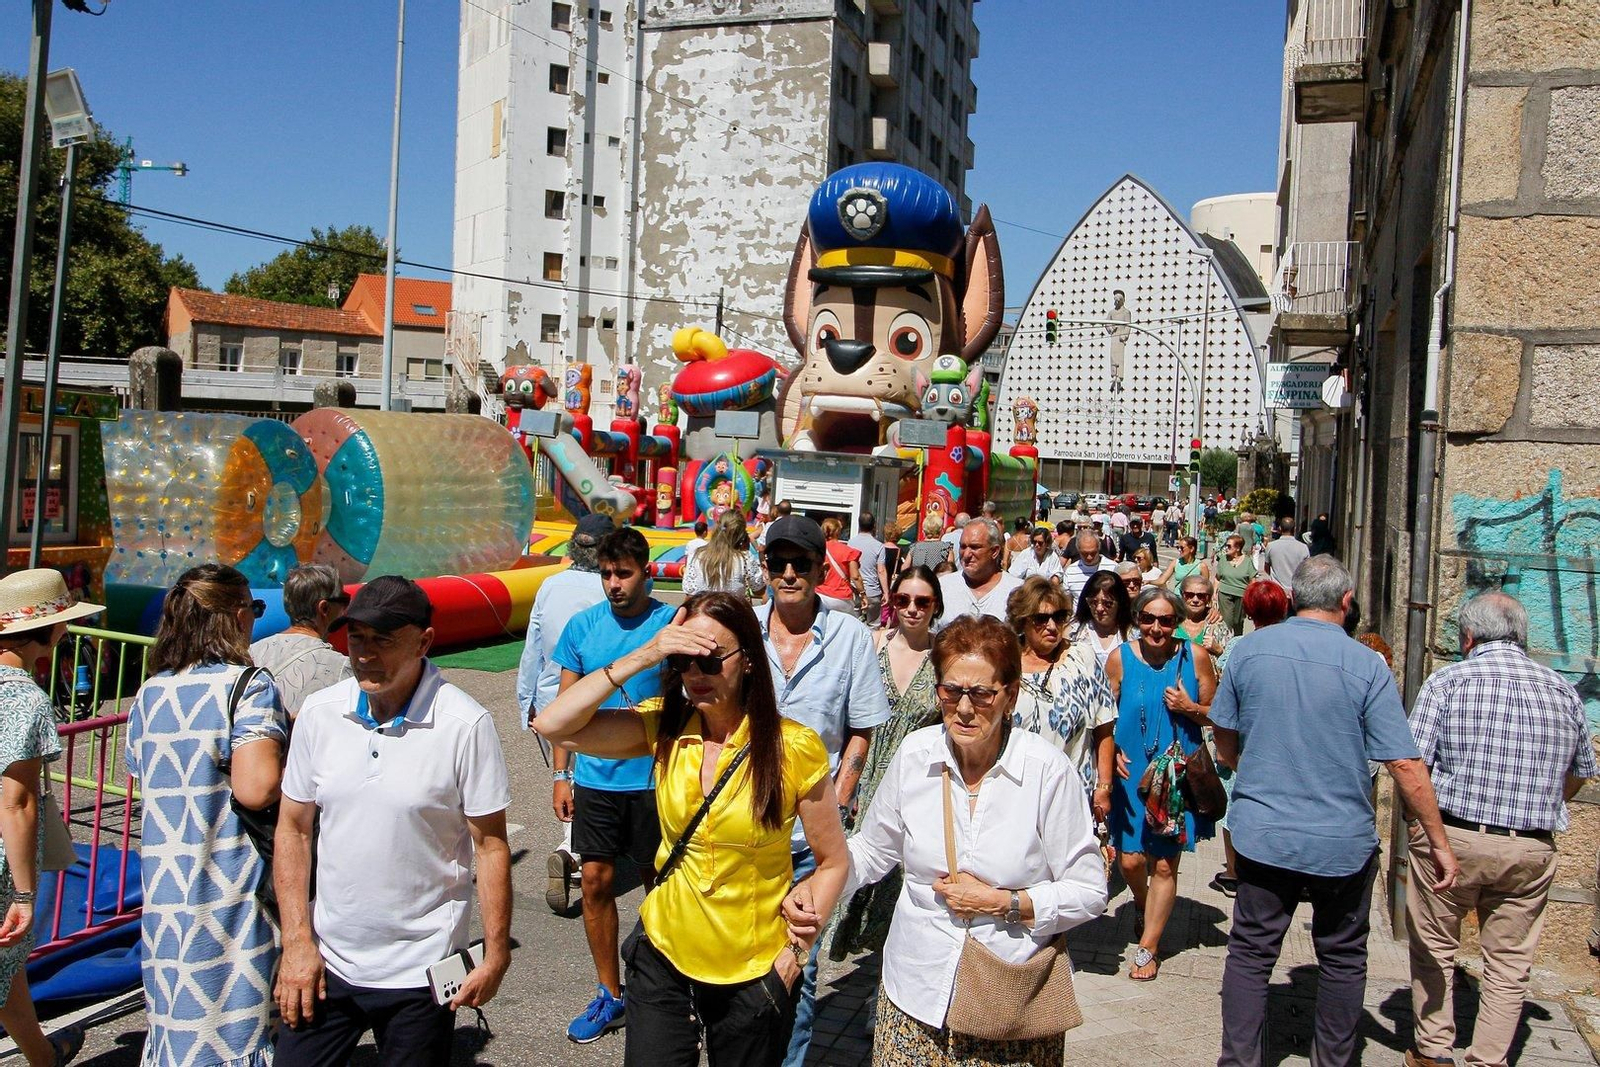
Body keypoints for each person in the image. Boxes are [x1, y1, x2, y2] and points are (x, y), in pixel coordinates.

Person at [536, 592, 849, 1066]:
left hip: (752, 966)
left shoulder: (793, 747)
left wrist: (796, 953)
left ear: (748, 659)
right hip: (664, 951)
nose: (695, 674)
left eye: (709, 659)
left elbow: (833, 862)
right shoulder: (666, 727)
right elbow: (553, 723)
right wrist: (647, 652)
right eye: (683, 661)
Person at [786, 614, 1107, 1064]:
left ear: (1011, 695)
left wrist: (1004, 902)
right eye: (951, 691)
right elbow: (873, 850)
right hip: (914, 993)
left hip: (1008, 1002)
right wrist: (819, 883)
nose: (964, 709)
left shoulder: (1045, 770)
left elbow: (1089, 891)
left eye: (982, 694)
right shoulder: (916, 754)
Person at [1210, 555, 1459, 1067]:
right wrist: (1438, 841)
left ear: (1293, 598)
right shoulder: (1367, 665)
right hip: (1341, 841)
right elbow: (1405, 764)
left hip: (1265, 833)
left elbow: (1224, 736)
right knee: (1343, 958)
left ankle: (1239, 1061)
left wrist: (1246, 766)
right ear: (1346, 603)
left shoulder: (1249, 650)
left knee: (1251, 953)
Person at [274, 577, 511, 1065]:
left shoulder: (464, 724)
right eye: (356, 638)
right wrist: (296, 942)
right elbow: (293, 829)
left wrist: (495, 954)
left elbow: (490, 845)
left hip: (421, 971)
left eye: (383, 640)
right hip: (327, 960)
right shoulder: (320, 713)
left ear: (424, 642)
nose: (365, 654)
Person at [1404, 593, 1598, 1067]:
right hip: (1528, 847)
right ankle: (1488, 1060)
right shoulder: (1562, 690)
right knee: (1509, 964)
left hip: (1452, 836)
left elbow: (1412, 762)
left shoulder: (1448, 681)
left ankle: (1433, 1051)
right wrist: (1543, 804)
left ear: (1468, 637)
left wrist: (1422, 826)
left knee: (1435, 947)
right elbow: (1581, 770)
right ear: (1522, 636)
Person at [127, 564, 286, 1067]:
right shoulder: (248, 685)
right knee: (236, 1019)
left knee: (178, 1016)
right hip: (229, 877)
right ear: (237, 614)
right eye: (253, 608)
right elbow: (257, 788)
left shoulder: (150, 692)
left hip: (165, 888)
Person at [757, 515, 891, 1066]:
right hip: (743, 830)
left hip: (809, 840)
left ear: (819, 569)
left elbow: (862, 726)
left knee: (801, 967)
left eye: (801, 564)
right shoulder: (742, 631)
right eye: (779, 563)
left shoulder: (850, 637)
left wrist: (838, 797)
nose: (789, 574)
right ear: (765, 567)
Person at [550, 528, 678, 1042]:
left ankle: (670, 989)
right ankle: (610, 993)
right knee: (596, 882)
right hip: (595, 780)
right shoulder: (582, 627)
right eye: (606, 574)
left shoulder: (669, 625)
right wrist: (561, 775)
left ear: (646, 572)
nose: (613, 584)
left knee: (660, 886)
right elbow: (564, 709)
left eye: (623, 573)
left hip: (654, 780)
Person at [0, 571, 97, 1066]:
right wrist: (23, 894)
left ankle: (43, 1056)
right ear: (49, 629)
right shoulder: (25, 700)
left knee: (6, 966)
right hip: (3, 858)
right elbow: (16, 802)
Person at [828, 567, 944, 965]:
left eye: (922, 601)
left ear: (935, 606)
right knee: (850, 872)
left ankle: (886, 978)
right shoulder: (872, 643)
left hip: (914, 785)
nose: (912, 609)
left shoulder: (943, 656)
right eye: (902, 599)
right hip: (862, 780)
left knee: (898, 885)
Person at [1108, 586, 1216, 982]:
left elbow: (1218, 714)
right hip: (1131, 771)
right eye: (1148, 619)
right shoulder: (1119, 658)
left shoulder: (1195, 657)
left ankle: (1148, 948)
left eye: (1166, 620)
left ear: (1177, 622)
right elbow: (1103, 716)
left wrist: (1191, 708)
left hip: (1175, 775)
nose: (1156, 628)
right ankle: (1143, 901)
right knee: (1130, 861)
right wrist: (1110, 752)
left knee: (1166, 865)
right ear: (1137, 619)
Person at [518, 513, 611, 910]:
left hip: (551, 700)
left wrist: (526, 700)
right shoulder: (613, 589)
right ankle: (574, 852)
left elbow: (533, 648)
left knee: (565, 779)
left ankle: (571, 845)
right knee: (594, 783)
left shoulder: (550, 585)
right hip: (600, 701)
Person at [1208, 580, 1291, 898]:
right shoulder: (1293, 647)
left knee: (1234, 806)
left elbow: (1224, 698)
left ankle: (1233, 872)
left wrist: (1222, 745)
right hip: (1279, 738)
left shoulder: (1239, 647)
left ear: (1249, 611)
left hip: (1242, 740)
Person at [1006, 577, 1117, 808]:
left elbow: (1104, 727)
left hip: (1072, 794)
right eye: (1041, 618)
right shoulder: (1005, 663)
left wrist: (1104, 787)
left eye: (1059, 617)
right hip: (1016, 793)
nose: (1052, 626)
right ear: (1022, 620)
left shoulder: (1083, 657)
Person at [248, 563, 352, 722]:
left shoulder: (248, 653)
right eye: (344, 600)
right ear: (324, 608)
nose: (346, 609)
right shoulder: (341, 668)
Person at [937, 518, 1023, 627]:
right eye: (963, 547)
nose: (966, 554)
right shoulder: (942, 586)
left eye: (975, 547)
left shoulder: (1018, 591)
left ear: (994, 551)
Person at [683, 510, 767, 600]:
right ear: (742, 536)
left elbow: (690, 592)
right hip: (733, 607)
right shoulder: (745, 558)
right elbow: (759, 590)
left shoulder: (697, 555)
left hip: (705, 607)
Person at [1073, 569, 1137, 673]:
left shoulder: (1134, 634)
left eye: (1107, 603)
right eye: (1093, 602)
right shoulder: (1073, 632)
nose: (1099, 609)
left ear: (1120, 603)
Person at [847, 511, 890, 626]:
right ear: (874, 526)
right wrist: (886, 592)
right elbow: (881, 570)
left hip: (855, 590)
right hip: (872, 591)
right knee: (874, 625)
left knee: (853, 624)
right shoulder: (879, 546)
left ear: (859, 524)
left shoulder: (850, 543)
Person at [815, 517, 864, 615]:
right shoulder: (848, 551)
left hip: (820, 593)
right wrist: (863, 594)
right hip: (841, 597)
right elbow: (855, 576)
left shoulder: (817, 550)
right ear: (837, 532)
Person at [1176, 573, 1232, 658]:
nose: (1195, 600)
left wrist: (1218, 650)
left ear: (1208, 599)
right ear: (1182, 595)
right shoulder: (1171, 621)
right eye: (1189, 595)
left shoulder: (1217, 624)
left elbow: (1232, 659)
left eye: (1201, 596)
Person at [1061, 529, 1117, 609]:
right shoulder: (1070, 571)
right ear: (1078, 550)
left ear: (1098, 548)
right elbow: (1067, 603)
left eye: (1093, 553)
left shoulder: (1113, 568)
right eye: (1084, 553)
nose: (1089, 557)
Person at [1214, 534, 1257, 635]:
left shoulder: (1247, 561)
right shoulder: (1223, 559)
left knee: (1238, 622)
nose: (1226, 548)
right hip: (1225, 593)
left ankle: (1237, 640)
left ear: (1237, 548)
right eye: (1226, 545)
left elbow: (1253, 580)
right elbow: (1217, 578)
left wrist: (1251, 597)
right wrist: (1214, 594)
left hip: (1241, 595)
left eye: (1229, 546)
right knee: (1227, 620)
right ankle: (1225, 640)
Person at [1262, 515, 1310, 597]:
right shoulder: (1303, 547)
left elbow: (1266, 567)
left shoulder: (1271, 546)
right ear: (1294, 529)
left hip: (1277, 591)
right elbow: (1307, 570)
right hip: (1296, 591)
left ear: (1280, 528)